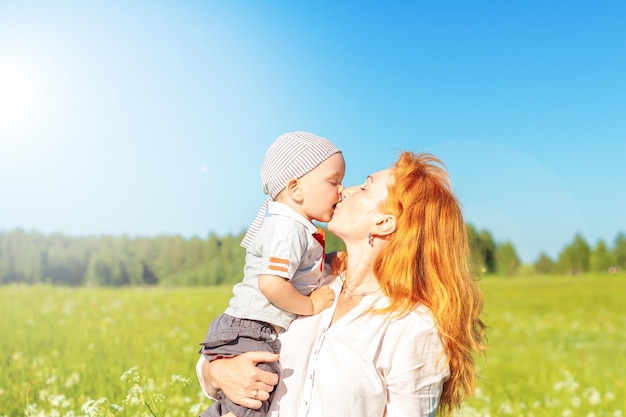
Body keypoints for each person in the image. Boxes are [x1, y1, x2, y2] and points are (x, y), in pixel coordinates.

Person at [197, 151, 487, 417]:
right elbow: (236, 341)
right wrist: (216, 372)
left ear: (384, 223)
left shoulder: (412, 326)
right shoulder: (306, 280)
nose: (346, 190)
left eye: (365, 187)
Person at [199, 131, 345, 417]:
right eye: (333, 182)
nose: (342, 190)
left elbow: (295, 272)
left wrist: (327, 265)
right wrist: (311, 305)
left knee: (243, 403)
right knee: (255, 396)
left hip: (248, 328)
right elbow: (271, 283)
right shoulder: (287, 228)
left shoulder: (295, 228)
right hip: (251, 328)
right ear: (296, 189)